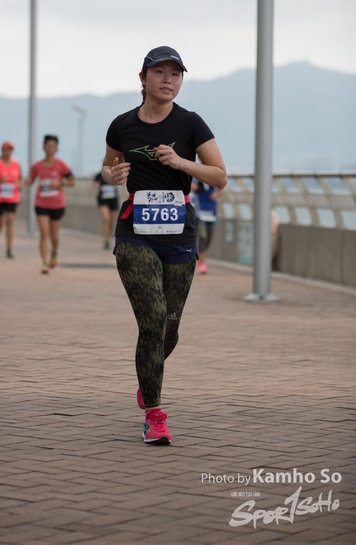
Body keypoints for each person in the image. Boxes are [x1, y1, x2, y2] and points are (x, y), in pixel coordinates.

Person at [102, 46, 227, 445]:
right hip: (135, 232)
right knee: (153, 320)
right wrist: (112, 175)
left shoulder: (190, 123)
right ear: (143, 78)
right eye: (160, 72)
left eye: (176, 74)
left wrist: (181, 163)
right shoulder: (122, 124)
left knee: (169, 329)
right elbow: (107, 166)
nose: (169, 80)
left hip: (180, 235)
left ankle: (147, 377)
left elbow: (220, 176)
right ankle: (154, 414)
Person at [27, 135, 74, 274]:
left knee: (54, 236)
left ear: (56, 149)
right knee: (44, 234)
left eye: (53, 146)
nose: (50, 149)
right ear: (43, 148)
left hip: (57, 204)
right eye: (48, 146)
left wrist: (59, 183)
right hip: (41, 203)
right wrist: (18, 182)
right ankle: (44, 263)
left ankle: (54, 252)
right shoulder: (37, 166)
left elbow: (72, 181)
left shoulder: (62, 165)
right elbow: (30, 181)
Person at [0, 143, 22, 258]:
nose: (8, 152)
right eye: (6, 150)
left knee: (10, 221)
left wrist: (20, 185)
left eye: (10, 150)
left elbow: (20, 178)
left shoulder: (16, 164)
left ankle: (9, 248)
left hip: (12, 197)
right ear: (2, 151)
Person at [191, 179, 222, 274]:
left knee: (208, 240)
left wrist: (217, 194)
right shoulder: (197, 178)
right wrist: (199, 186)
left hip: (211, 213)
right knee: (203, 238)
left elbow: (222, 185)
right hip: (200, 214)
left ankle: (201, 259)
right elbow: (192, 187)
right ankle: (202, 263)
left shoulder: (213, 177)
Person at [92, 169, 119, 249]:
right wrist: (96, 186)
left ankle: (108, 238)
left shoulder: (115, 173)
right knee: (106, 219)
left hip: (113, 199)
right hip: (103, 199)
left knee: (111, 222)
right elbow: (94, 182)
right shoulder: (100, 175)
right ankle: (105, 240)